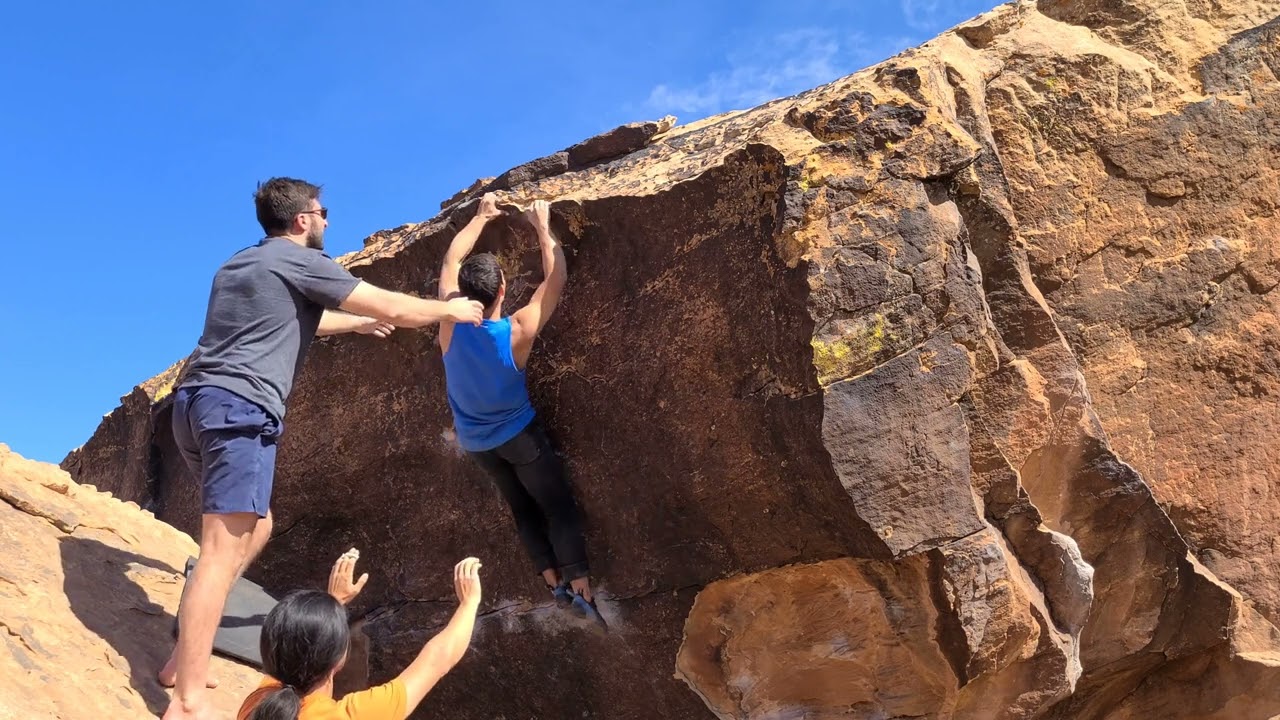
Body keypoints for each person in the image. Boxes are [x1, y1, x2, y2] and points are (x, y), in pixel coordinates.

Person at [162, 177, 486, 720]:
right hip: (242, 407)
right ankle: (187, 696)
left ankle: (184, 653)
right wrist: (448, 311)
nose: (328, 222)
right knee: (221, 549)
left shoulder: (239, 266)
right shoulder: (301, 260)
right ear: (301, 220)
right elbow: (391, 304)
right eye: (323, 212)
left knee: (257, 525)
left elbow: (288, 323)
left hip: (195, 404)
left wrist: (357, 324)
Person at [436, 193, 604, 628]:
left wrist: (481, 217)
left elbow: (451, 261)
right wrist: (542, 225)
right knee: (557, 507)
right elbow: (557, 278)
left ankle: (552, 583)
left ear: (462, 295)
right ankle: (581, 585)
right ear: (504, 290)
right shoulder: (517, 330)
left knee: (522, 509)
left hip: (477, 445)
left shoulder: (449, 325)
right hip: (520, 438)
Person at [238, 551, 483, 719]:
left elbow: (303, 651)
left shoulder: (258, 703)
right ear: (338, 660)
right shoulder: (352, 714)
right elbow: (437, 660)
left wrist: (335, 602)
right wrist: (470, 602)